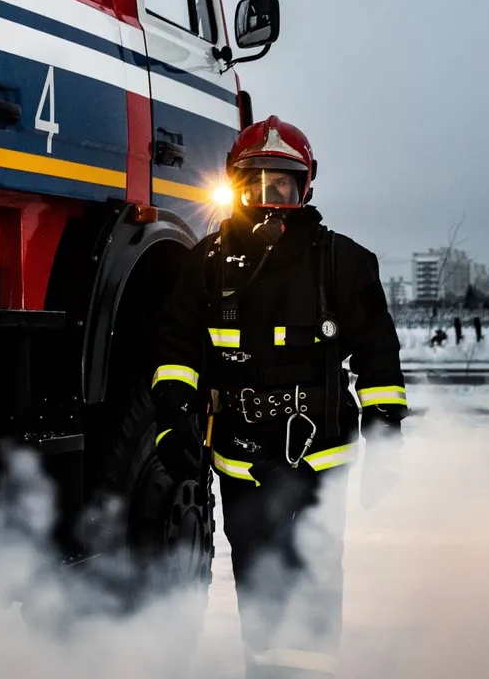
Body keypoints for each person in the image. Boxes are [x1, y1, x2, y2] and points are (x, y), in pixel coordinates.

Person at [149, 116, 407, 678]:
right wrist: (172, 417)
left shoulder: (342, 262)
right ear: (233, 184)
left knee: (314, 569)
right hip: (241, 455)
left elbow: (376, 353)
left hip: (320, 453)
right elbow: (176, 347)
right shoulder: (206, 265)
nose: (269, 199)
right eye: (255, 183)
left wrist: (386, 425)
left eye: (282, 185)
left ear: (305, 187)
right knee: (257, 571)